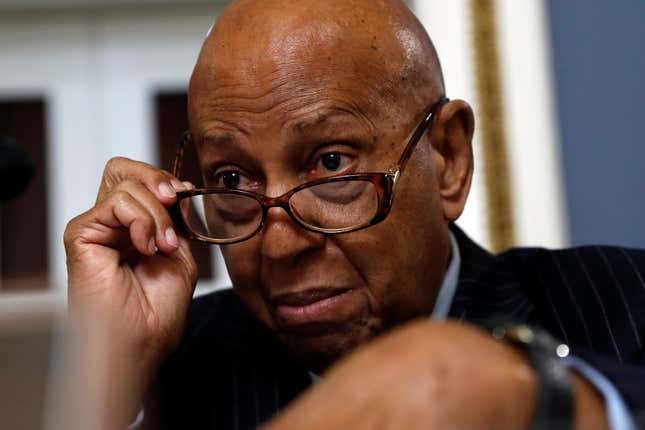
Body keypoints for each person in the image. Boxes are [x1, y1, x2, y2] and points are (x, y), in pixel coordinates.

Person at [63, 0, 645, 428]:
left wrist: (540, 400)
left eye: (331, 163)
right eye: (233, 179)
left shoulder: (623, 305)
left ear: (448, 158)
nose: (280, 246)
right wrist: (111, 372)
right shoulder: (171, 377)